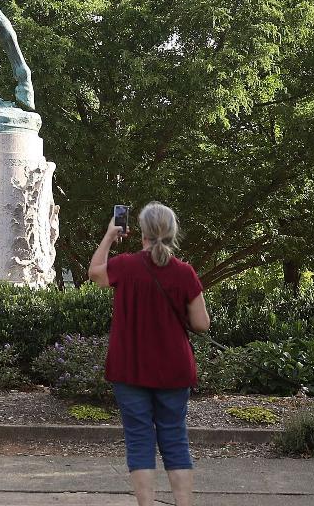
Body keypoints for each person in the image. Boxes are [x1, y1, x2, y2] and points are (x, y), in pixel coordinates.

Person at [88, 201, 210, 506]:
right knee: (175, 439)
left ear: (141, 232)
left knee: (139, 440)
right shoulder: (184, 272)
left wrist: (108, 236)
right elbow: (201, 324)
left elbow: (94, 273)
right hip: (174, 370)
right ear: (172, 233)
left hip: (130, 369)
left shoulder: (125, 265)